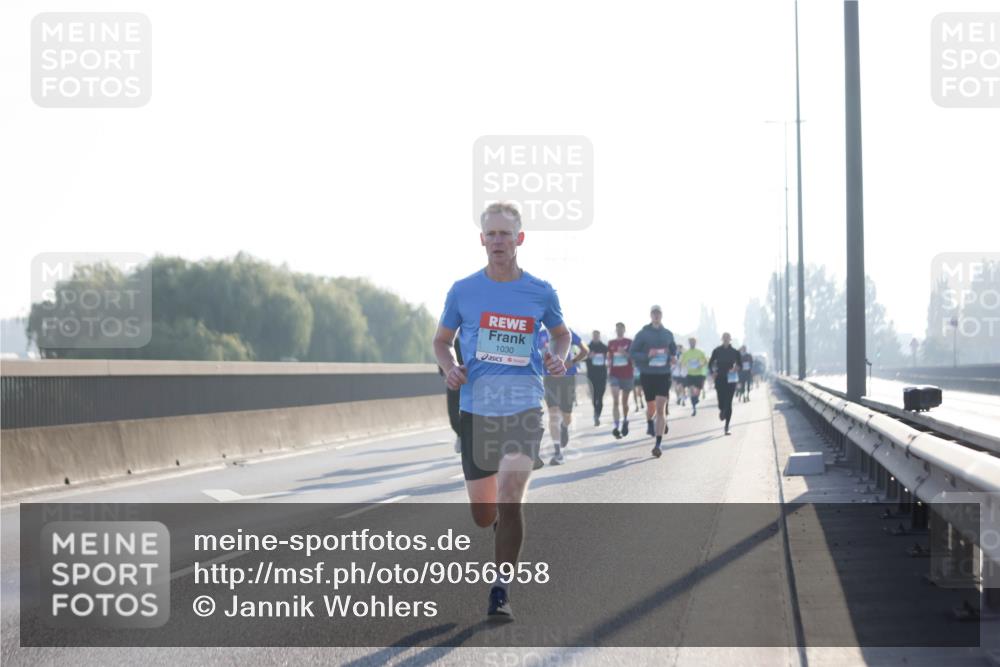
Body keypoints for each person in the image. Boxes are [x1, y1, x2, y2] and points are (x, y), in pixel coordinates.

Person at [433, 201, 571, 619]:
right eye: (490, 234)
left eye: (505, 234)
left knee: (511, 498)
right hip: (477, 409)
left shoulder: (541, 291)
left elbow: (561, 334)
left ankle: (501, 589)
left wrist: (557, 357)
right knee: (484, 514)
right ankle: (494, 526)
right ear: (482, 240)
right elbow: (441, 341)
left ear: (519, 239)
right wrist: (450, 368)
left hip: (524, 406)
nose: (497, 241)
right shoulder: (463, 290)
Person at [631, 305, 677, 458]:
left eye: (659, 313)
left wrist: (673, 357)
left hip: (664, 374)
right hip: (648, 374)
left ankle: (658, 444)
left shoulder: (668, 334)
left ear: (662, 316)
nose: (656, 316)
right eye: (654, 313)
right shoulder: (643, 334)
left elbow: (673, 350)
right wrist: (647, 356)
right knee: (651, 408)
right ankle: (649, 421)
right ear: (650, 315)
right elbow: (633, 353)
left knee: (661, 408)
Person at [538, 327, 588, 465]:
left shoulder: (567, 332)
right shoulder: (539, 335)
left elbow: (585, 350)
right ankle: (557, 452)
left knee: (567, 415)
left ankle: (564, 427)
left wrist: (571, 362)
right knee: (553, 413)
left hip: (567, 377)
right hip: (549, 379)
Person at [708, 332, 742, 435]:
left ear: (730, 339)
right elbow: (710, 364)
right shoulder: (717, 351)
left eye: (728, 338)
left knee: (729, 402)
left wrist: (736, 368)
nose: (726, 339)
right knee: (721, 402)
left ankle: (727, 426)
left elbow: (740, 365)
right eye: (724, 338)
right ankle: (722, 410)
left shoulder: (735, 351)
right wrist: (712, 372)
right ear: (722, 339)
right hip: (720, 378)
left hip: (731, 379)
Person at [607, 322, 634, 438]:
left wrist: (625, 353)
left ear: (624, 330)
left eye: (621, 328)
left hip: (627, 374)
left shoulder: (629, 342)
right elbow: (609, 359)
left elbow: (633, 359)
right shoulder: (611, 343)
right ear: (615, 330)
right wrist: (608, 370)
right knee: (616, 401)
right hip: (614, 375)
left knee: (624, 402)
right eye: (617, 328)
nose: (619, 330)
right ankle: (616, 427)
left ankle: (625, 420)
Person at [438, 337, 464, 452]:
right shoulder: (449, 339)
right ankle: (460, 434)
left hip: (470, 381)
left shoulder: (472, 338)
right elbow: (441, 350)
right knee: (453, 414)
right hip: (453, 380)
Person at [585, 330, 609, 427]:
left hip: (602, 375)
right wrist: (588, 357)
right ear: (592, 336)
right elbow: (576, 355)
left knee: (600, 397)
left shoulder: (604, 348)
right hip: (591, 376)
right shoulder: (587, 347)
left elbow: (610, 359)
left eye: (597, 335)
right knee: (594, 397)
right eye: (594, 335)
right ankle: (596, 415)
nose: (595, 337)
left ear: (599, 336)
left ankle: (597, 413)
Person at [679, 337, 708, 416]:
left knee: (697, 391)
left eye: (693, 342)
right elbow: (682, 363)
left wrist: (700, 365)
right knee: (691, 390)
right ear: (689, 343)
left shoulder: (700, 352)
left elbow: (706, 361)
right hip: (690, 374)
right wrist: (685, 366)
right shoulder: (686, 353)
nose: (692, 343)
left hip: (699, 373)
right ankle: (694, 406)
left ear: (696, 343)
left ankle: (696, 399)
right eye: (690, 342)